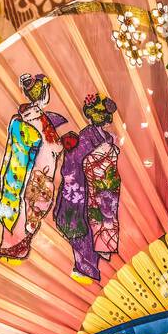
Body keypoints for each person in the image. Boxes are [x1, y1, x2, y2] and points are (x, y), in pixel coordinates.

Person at [0, 73, 71, 263]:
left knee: (19, 206)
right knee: (32, 207)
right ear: (44, 94)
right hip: (39, 174)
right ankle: (17, 244)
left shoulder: (20, 118)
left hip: (20, 173)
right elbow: (55, 147)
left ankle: (10, 244)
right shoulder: (40, 120)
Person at [53, 93, 121, 283]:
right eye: (96, 112)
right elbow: (73, 165)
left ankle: (89, 266)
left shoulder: (107, 138)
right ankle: (84, 268)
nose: (99, 116)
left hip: (100, 192)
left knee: (96, 229)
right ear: (90, 114)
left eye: (102, 113)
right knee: (83, 230)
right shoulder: (85, 137)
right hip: (83, 189)